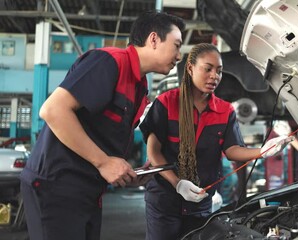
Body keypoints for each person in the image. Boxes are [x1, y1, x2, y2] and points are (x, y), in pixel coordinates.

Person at [20, 11, 185, 240]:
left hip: (88, 190)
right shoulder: (109, 62)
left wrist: (126, 172)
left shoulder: (140, 86)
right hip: (57, 186)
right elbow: (53, 110)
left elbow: (103, 136)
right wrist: (104, 162)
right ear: (154, 39)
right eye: (176, 46)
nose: (179, 56)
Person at [139, 43, 294, 239]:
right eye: (208, 69)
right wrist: (178, 183)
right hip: (165, 201)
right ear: (190, 68)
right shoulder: (166, 103)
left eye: (219, 71)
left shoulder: (225, 110)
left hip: (201, 204)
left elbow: (232, 150)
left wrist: (263, 151)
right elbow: (154, 152)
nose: (215, 76)